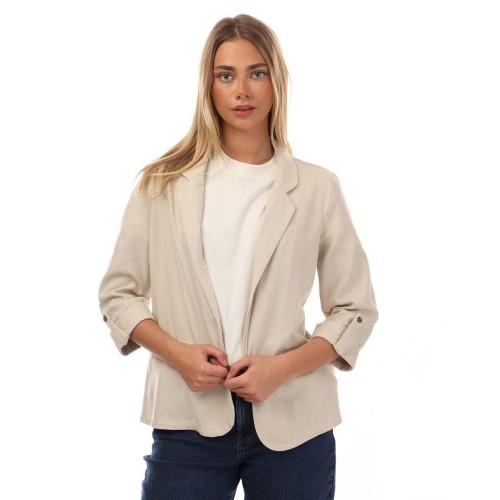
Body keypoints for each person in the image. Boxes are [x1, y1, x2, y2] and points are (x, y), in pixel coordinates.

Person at [98, 13, 378, 500]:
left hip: (295, 423)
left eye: (257, 73)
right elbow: (118, 295)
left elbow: (355, 309)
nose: (242, 91)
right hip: (187, 421)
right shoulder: (162, 185)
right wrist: (179, 355)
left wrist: (281, 369)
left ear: (277, 81)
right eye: (226, 75)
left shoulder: (317, 188)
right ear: (208, 86)